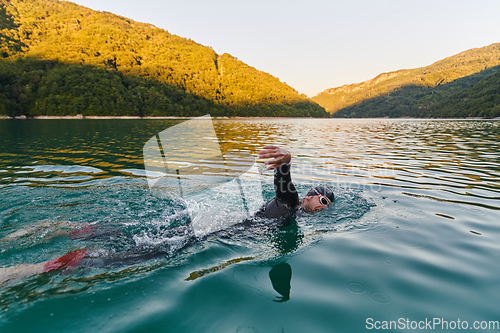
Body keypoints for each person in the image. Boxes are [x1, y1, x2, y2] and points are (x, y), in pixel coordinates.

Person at [0, 145, 334, 284]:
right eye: (324, 202)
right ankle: (38, 267)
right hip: (216, 234)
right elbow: (285, 192)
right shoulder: (290, 206)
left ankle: (63, 228)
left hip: (217, 225)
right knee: (144, 254)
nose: (323, 208)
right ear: (311, 196)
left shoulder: (294, 215)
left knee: (134, 232)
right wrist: (286, 164)